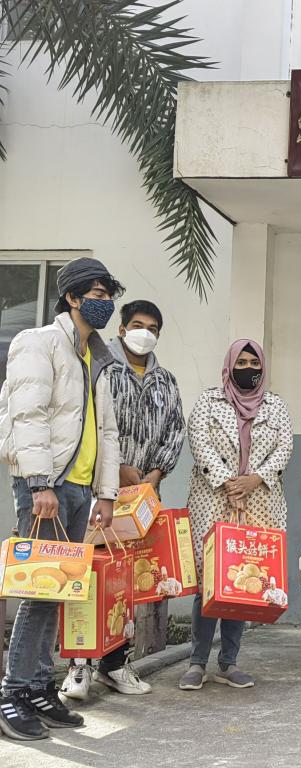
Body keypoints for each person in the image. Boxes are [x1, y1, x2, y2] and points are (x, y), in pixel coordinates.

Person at [0, 257, 123, 741]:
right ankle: (12, 692)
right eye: (96, 294)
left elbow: (107, 432)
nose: (104, 303)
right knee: (39, 592)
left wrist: (106, 494)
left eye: (108, 295)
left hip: (79, 488)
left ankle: (37, 687)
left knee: (58, 592)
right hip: (47, 486)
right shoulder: (39, 342)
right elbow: (27, 414)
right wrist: (39, 483)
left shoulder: (99, 357)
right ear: (71, 297)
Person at [60, 299, 186, 701]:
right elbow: (88, 426)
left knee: (128, 582)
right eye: (137, 325)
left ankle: (115, 664)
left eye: (152, 328)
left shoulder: (166, 381)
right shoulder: (100, 368)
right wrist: (117, 469)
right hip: (100, 493)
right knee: (89, 576)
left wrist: (155, 473)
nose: (144, 333)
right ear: (121, 328)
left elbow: (175, 431)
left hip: (142, 499)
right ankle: (79, 666)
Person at [178, 339, 293, 692]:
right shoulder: (208, 402)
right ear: (229, 366)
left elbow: (285, 447)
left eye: (253, 363)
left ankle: (228, 663)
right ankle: (197, 662)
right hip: (214, 500)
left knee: (245, 581)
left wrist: (254, 479)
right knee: (209, 581)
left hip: (259, 502)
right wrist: (230, 482)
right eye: (241, 363)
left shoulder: (275, 406)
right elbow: (199, 443)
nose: (248, 369)